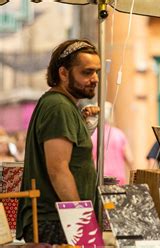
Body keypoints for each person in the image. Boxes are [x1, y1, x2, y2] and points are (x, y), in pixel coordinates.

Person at [16, 39, 100, 244]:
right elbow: (58, 170)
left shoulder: (64, 106)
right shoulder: (58, 106)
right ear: (63, 73)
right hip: (57, 222)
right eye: (87, 72)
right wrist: (83, 226)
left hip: (60, 221)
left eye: (97, 71)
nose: (95, 78)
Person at [91, 101, 134, 184]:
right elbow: (130, 159)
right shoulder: (119, 134)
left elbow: (90, 158)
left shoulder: (93, 135)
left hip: (100, 177)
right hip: (118, 178)